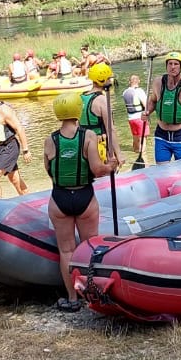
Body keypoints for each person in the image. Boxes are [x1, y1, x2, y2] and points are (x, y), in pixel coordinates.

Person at [46, 91, 114, 311]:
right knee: (90, 245)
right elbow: (96, 169)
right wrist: (110, 166)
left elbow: (48, 169)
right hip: (84, 195)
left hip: (59, 198)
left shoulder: (50, 139)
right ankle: (91, 294)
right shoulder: (88, 136)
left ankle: (72, 298)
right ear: (78, 110)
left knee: (66, 250)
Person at [0, 82, 30, 197]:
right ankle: (28, 198)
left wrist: (26, 150)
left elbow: (19, 128)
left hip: (9, 147)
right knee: (14, 179)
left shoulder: (3, 110)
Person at [148, 52, 181, 162]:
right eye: (170, 63)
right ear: (166, 66)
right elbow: (153, 101)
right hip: (161, 135)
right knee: (162, 170)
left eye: (176, 64)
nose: (173, 67)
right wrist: (147, 111)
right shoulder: (158, 82)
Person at [80, 63, 118, 168]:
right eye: (109, 78)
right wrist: (119, 155)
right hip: (100, 147)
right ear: (103, 79)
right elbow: (111, 130)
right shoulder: (102, 100)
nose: (110, 81)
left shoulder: (81, 97)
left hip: (84, 146)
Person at [122, 74, 149, 163]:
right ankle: (143, 157)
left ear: (130, 82)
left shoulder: (125, 92)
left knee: (135, 137)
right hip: (140, 118)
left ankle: (135, 151)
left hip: (130, 118)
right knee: (143, 138)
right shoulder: (139, 91)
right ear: (138, 81)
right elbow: (146, 105)